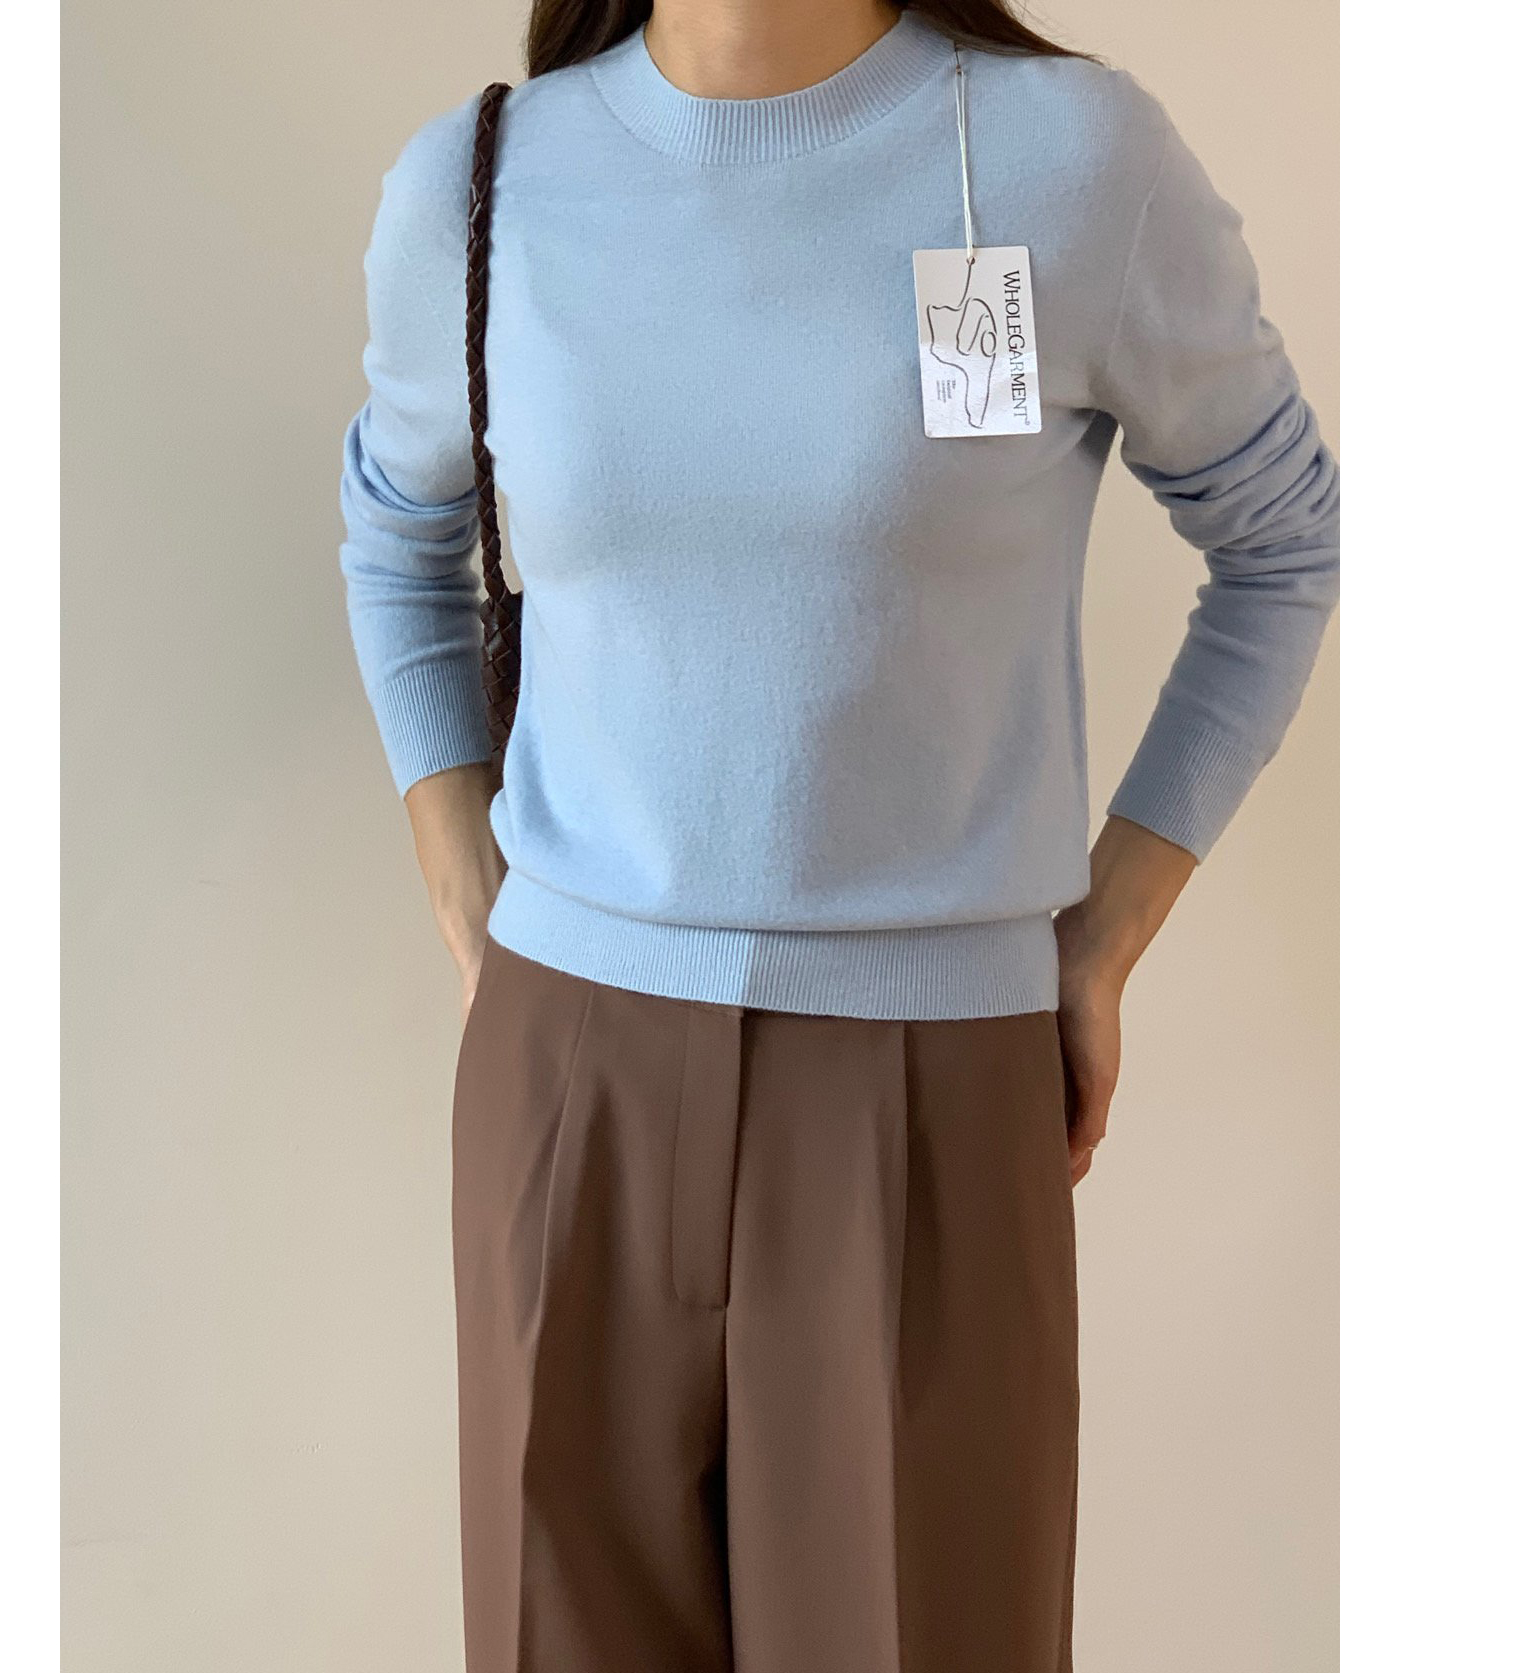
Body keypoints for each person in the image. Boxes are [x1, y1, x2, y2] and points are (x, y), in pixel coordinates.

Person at [337, 2, 1338, 1667]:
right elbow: (396, 526)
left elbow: (1281, 537)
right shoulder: (483, 186)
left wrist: (1107, 928)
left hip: (929, 1081)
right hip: (568, 1078)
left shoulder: (1067, 160)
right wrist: (466, 879)